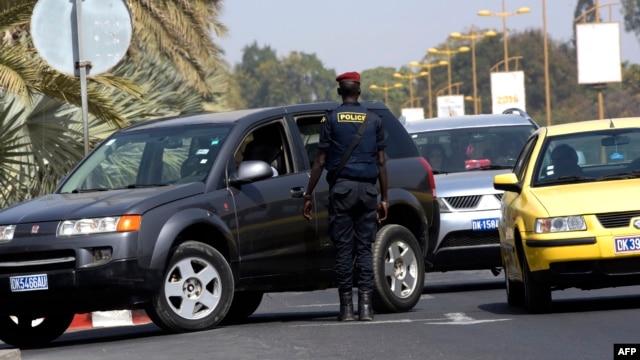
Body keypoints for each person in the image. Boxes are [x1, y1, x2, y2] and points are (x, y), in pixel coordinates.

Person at [302, 71, 388, 322]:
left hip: (342, 191)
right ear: (359, 91)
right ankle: (366, 308)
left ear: (340, 92)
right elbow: (382, 163)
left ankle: (346, 310)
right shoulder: (374, 120)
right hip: (368, 192)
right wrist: (385, 199)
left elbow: (320, 161)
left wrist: (308, 194)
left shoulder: (331, 119)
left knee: (343, 250)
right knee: (364, 250)